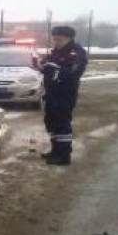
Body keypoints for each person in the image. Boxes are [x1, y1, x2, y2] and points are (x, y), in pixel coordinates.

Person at [40, 26, 88, 165]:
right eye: (54, 39)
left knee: (62, 124)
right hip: (51, 93)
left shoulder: (77, 53)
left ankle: (63, 155)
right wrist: (41, 66)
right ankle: (55, 151)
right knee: (51, 122)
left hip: (64, 93)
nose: (56, 42)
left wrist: (57, 72)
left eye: (59, 39)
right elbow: (47, 64)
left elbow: (74, 73)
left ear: (69, 38)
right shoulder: (56, 51)